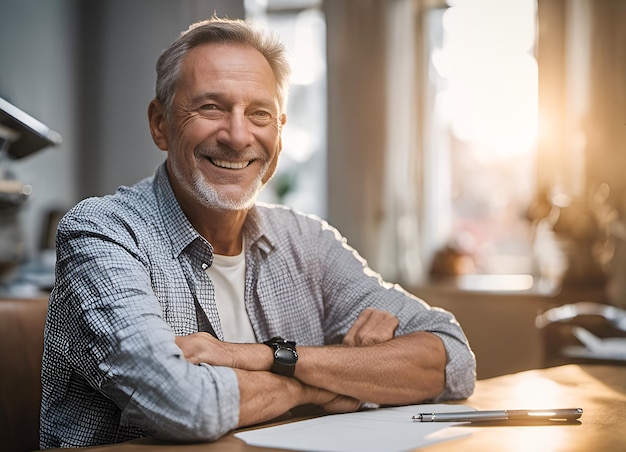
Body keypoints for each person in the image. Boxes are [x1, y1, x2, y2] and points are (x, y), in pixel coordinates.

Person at [40, 16, 476, 448]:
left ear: (280, 134)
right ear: (161, 124)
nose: (237, 135)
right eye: (211, 107)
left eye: (259, 113)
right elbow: (187, 403)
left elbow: (452, 359)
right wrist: (320, 385)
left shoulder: (307, 241)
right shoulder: (102, 232)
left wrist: (264, 356)